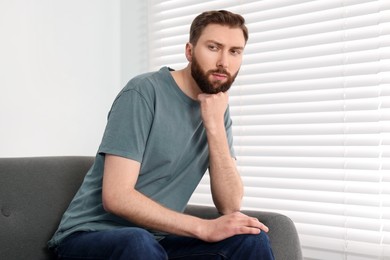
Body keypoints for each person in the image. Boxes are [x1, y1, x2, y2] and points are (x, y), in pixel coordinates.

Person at [48, 10, 274, 259]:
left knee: (250, 239)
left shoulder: (217, 109)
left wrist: (215, 126)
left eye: (234, 51)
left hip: (156, 240)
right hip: (87, 237)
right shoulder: (143, 92)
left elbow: (230, 206)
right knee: (138, 240)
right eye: (213, 47)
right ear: (189, 51)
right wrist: (202, 227)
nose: (224, 62)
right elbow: (116, 196)